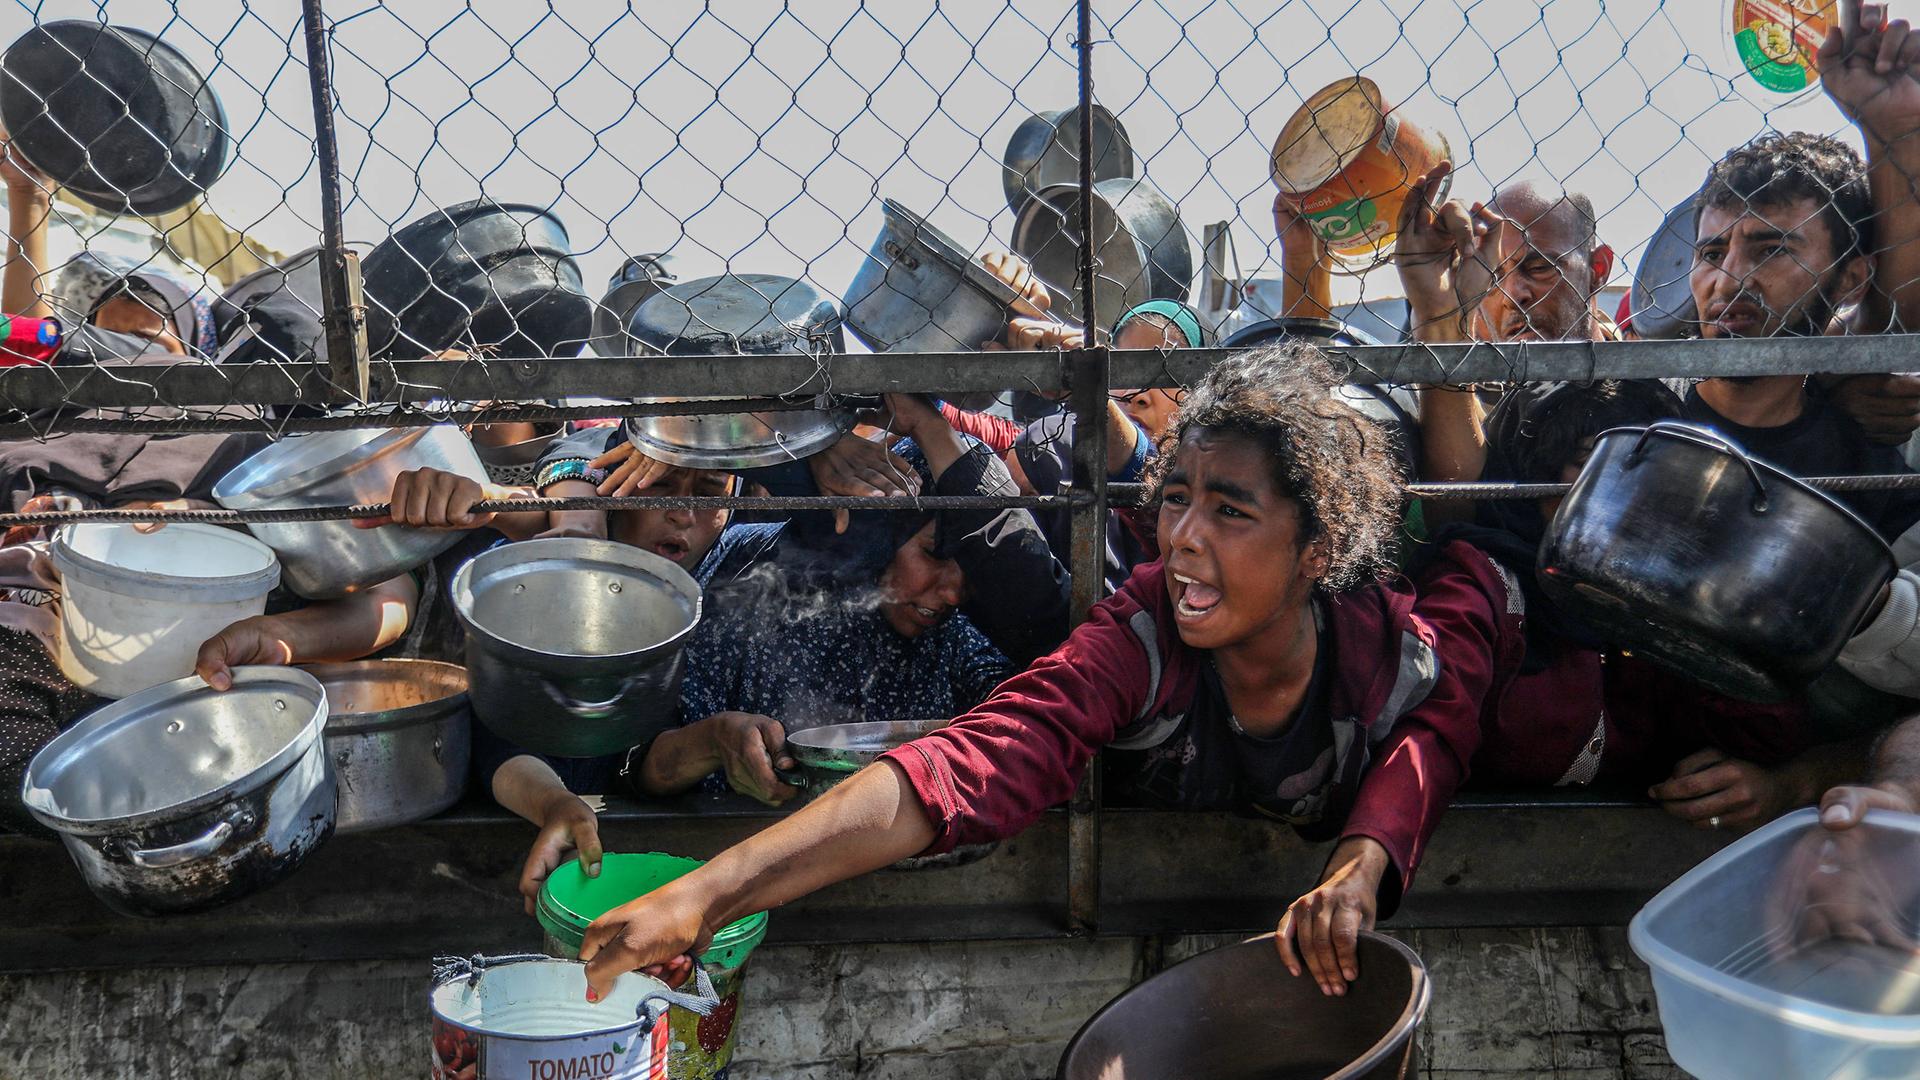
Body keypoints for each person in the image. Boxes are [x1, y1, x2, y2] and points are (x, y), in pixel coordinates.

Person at [567, 344, 1534, 1003]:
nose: (1184, 539)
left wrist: (1362, 863)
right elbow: (973, 759)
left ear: (1315, 550)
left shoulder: (1382, 646)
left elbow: (1438, 729)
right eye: (1177, 499)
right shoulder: (1139, 635)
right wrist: (705, 897)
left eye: (1231, 512)